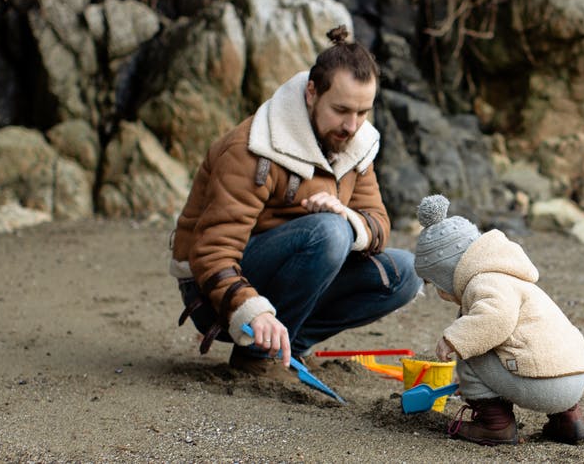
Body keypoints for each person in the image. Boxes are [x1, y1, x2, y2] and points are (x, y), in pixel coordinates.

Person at [170, 26, 421, 379]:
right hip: (215, 291)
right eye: (341, 110)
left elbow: (377, 224)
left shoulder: (356, 143)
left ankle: (291, 346)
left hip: (301, 274)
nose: (352, 126)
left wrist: (349, 218)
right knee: (330, 233)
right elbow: (211, 253)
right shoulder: (251, 148)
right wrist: (250, 309)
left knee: (405, 272)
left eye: (363, 112)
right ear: (311, 93)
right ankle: (256, 352)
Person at [413, 194, 584, 446]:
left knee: (472, 347)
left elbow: (495, 319)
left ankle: (495, 425)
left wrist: (453, 339)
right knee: (531, 344)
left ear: (450, 272)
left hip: (543, 386)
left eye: (437, 286)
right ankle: (568, 419)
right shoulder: (512, 276)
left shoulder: (483, 281)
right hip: (575, 376)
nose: (441, 295)